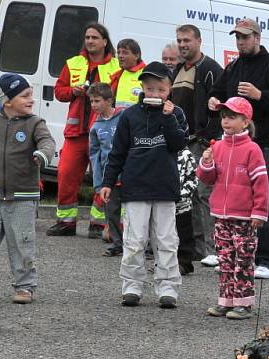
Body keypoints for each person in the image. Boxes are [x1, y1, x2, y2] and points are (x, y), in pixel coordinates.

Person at [208, 18, 269, 280]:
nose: (241, 41)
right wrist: (213, 101)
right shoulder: (233, 67)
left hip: (266, 144)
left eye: (245, 37)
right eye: (238, 37)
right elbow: (217, 93)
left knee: (264, 200)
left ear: (258, 37)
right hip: (234, 145)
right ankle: (234, 254)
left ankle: (267, 259)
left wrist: (260, 96)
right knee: (236, 200)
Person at [99, 62, 188, 308]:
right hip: (135, 186)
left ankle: (168, 287)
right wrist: (108, 182)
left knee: (166, 240)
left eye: (160, 89)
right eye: (149, 89)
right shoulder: (129, 115)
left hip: (165, 187)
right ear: (142, 88)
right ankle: (132, 286)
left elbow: (178, 144)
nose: (155, 94)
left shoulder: (176, 113)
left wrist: (168, 118)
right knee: (134, 239)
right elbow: (117, 153)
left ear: (169, 89)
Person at [197, 97, 269, 319]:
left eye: (232, 117)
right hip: (222, 215)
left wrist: (259, 212)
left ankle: (243, 303)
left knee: (243, 260)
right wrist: (206, 162)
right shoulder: (217, 146)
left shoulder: (252, 149)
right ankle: (225, 301)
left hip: (245, 217)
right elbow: (207, 178)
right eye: (224, 116)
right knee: (225, 258)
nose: (226, 121)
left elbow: (261, 183)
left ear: (245, 122)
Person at [48, 22, 119, 237]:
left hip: (103, 131)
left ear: (105, 41)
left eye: (95, 37)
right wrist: (74, 92)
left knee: (102, 176)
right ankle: (66, 223)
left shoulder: (116, 67)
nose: (90, 41)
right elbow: (59, 92)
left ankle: (97, 224)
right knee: (66, 174)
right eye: (87, 37)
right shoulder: (74, 63)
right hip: (76, 132)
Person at [0, 74, 56, 304]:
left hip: (22, 198)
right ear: (7, 101)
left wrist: (42, 154)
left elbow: (48, 142)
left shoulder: (35, 123)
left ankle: (24, 286)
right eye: (24, 95)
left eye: (31, 95)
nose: (31, 99)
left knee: (22, 243)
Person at [172, 24, 224, 268]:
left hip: (203, 141)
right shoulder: (177, 70)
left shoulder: (211, 69)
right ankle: (194, 248)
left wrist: (211, 140)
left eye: (187, 40)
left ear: (199, 41)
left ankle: (212, 249)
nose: (183, 45)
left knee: (203, 194)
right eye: (179, 40)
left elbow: (221, 106)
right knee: (187, 194)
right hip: (183, 141)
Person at [87, 82, 124, 257]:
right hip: (110, 178)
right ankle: (118, 244)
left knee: (135, 211)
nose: (93, 105)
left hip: (129, 174)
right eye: (91, 101)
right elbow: (94, 156)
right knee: (112, 212)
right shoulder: (96, 127)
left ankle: (144, 246)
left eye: (97, 101)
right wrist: (98, 182)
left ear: (109, 100)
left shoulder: (124, 116)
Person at [176, 148, 199, 275]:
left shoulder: (186, 154)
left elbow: (193, 177)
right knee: (164, 236)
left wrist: (183, 194)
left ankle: (184, 263)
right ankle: (163, 263)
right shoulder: (160, 151)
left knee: (184, 235)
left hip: (183, 205)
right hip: (164, 203)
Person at [109, 38, 146, 108]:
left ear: (136, 56)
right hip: (119, 118)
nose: (120, 56)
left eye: (125, 53)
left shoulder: (146, 74)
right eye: (118, 52)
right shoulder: (117, 75)